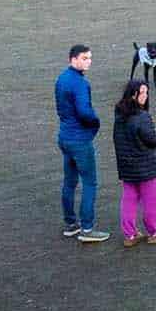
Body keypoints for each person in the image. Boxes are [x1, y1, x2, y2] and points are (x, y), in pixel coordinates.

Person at [55, 43, 108, 243]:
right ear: (73, 59)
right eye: (85, 58)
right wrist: (96, 122)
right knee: (90, 183)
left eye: (90, 58)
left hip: (64, 137)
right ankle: (87, 228)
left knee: (69, 182)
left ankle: (70, 224)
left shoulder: (61, 79)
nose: (89, 61)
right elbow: (85, 111)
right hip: (80, 140)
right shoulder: (80, 84)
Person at [112, 78, 156, 247]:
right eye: (142, 93)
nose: (145, 96)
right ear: (134, 94)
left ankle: (130, 235)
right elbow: (152, 140)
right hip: (146, 167)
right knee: (151, 201)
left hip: (126, 166)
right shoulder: (142, 117)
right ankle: (153, 232)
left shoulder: (119, 113)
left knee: (128, 199)